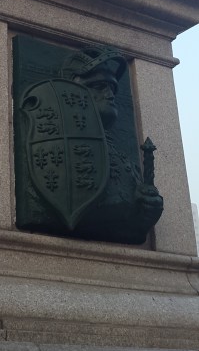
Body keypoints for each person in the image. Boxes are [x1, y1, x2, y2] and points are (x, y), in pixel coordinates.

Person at [62, 47, 164, 244]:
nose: (110, 95)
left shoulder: (119, 152)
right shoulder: (63, 145)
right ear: (73, 91)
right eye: (99, 86)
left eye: (112, 88)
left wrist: (148, 210)